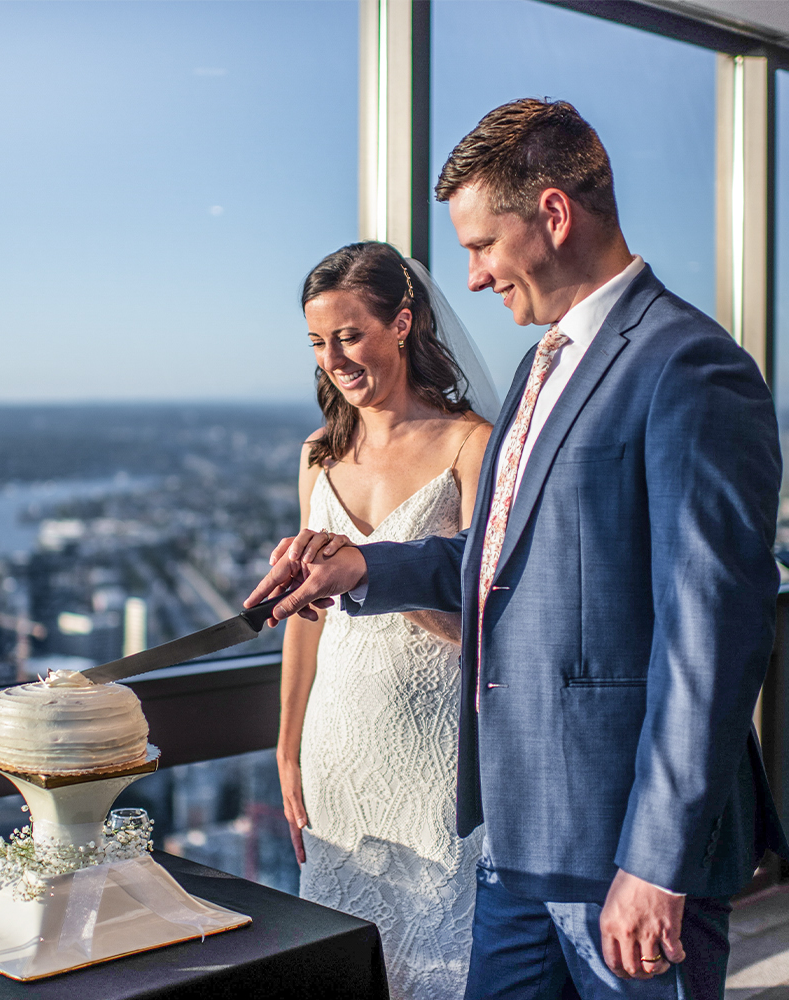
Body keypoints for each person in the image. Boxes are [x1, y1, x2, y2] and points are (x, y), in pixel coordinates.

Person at [250, 100, 789, 999]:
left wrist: (656, 866)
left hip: (623, 851)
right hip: (517, 836)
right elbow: (497, 569)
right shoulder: (546, 366)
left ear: (552, 213)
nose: (469, 278)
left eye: (480, 245)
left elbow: (714, 641)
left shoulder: (691, 368)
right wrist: (361, 566)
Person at [279, 241, 495, 1000]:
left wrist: (385, 584)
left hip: (435, 742)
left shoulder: (471, 444)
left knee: (439, 955)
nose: (332, 358)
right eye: (317, 342)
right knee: (344, 954)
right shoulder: (318, 454)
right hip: (339, 741)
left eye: (349, 334)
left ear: (402, 323)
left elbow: (491, 625)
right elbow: (305, 617)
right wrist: (289, 746)